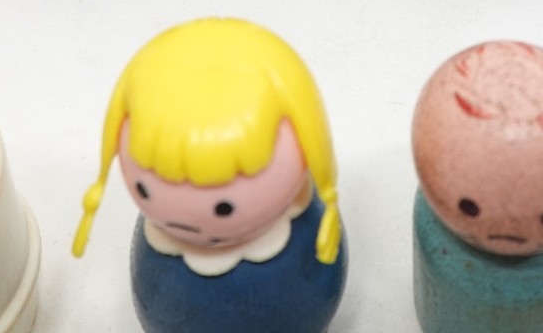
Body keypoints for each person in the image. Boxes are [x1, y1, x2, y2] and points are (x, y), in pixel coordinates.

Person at [73, 17, 346, 333]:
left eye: (223, 207)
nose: (184, 221)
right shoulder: (161, 241)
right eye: (144, 189)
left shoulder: (304, 233)